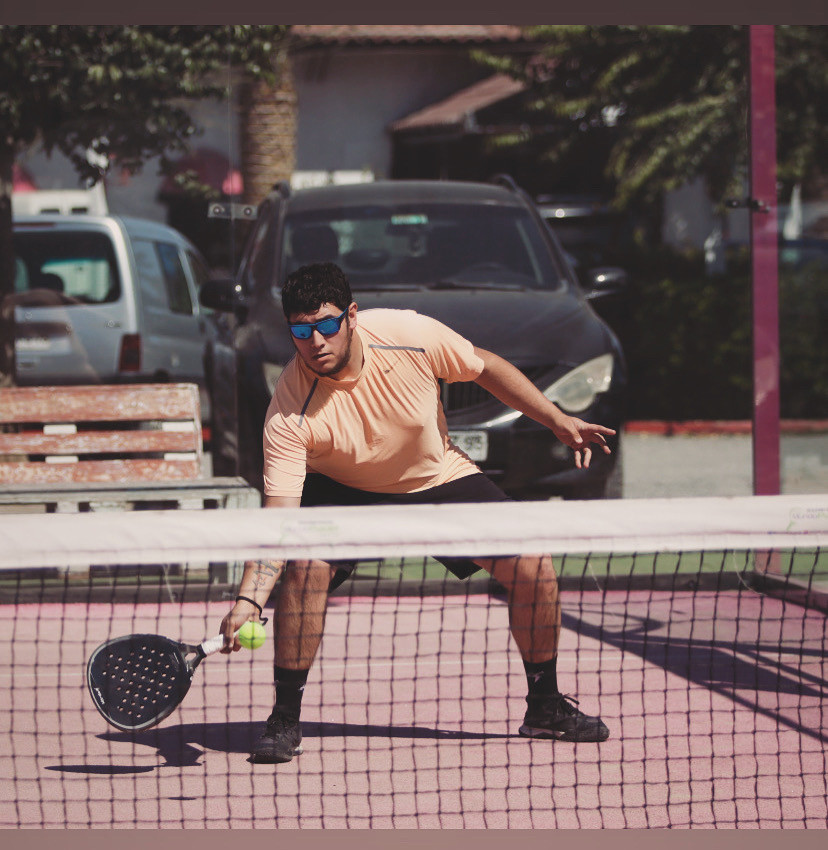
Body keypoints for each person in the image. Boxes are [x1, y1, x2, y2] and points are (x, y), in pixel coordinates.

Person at [220, 261, 615, 764]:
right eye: (301, 331)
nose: (315, 342)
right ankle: (283, 718)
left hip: (435, 477)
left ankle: (545, 706)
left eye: (326, 325)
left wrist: (555, 419)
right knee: (306, 567)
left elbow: (486, 366)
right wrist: (249, 600)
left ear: (351, 316)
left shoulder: (409, 334)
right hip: (343, 488)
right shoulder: (288, 413)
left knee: (533, 563)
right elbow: (278, 524)